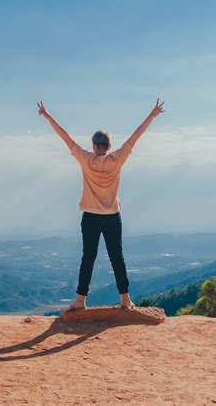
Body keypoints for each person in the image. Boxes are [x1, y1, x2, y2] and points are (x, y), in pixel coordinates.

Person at [37, 98, 165, 310]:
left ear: (94, 146)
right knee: (117, 258)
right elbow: (135, 136)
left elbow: (65, 138)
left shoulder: (85, 159)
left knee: (88, 257)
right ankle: (125, 299)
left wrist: (48, 116)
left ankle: (80, 299)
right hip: (112, 216)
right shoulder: (117, 159)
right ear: (109, 147)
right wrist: (152, 114)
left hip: (90, 216)